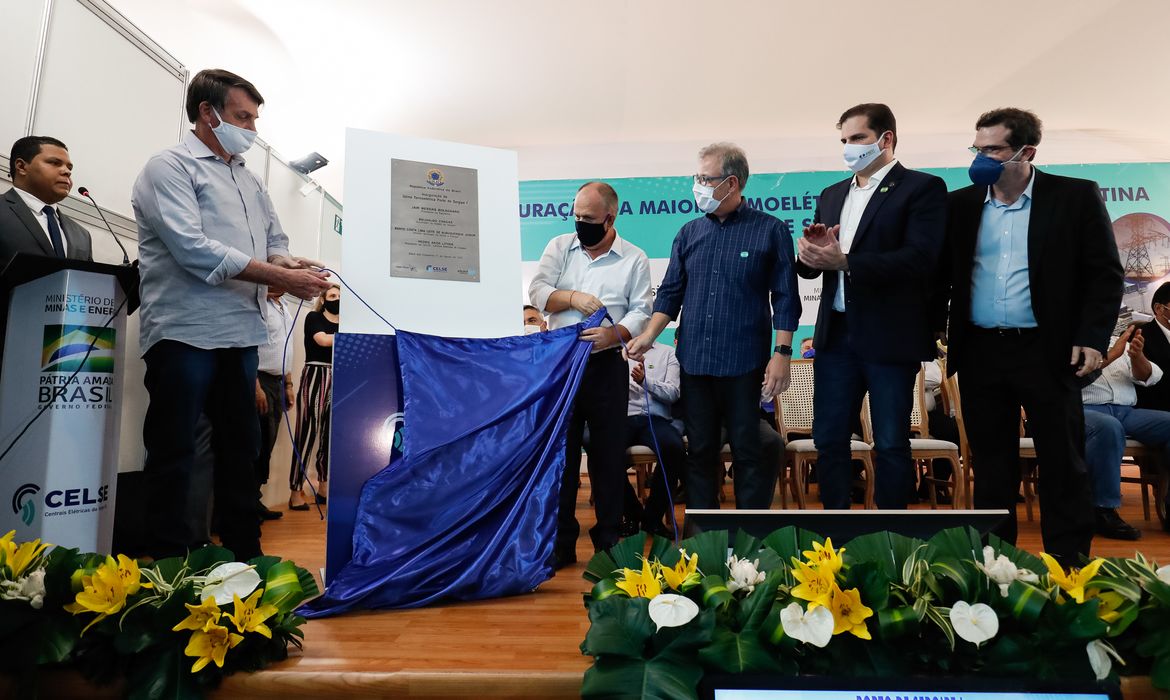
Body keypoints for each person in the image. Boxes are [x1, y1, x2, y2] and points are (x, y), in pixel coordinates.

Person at [132, 68, 331, 561]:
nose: (252, 130)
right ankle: (169, 567)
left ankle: (247, 561)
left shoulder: (249, 178)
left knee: (242, 453)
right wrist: (278, 277)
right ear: (207, 112)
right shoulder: (169, 168)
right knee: (176, 451)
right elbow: (193, 249)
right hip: (184, 333)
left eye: (255, 119)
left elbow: (275, 242)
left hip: (241, 333)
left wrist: (289, 264)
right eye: (243, 117)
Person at [937, 107, 1124, 563]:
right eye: (977, 148)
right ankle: (997, 567)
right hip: (981, 351)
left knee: (1063, 462)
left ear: (1027, 152)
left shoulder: (1074, 196)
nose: (982, 158)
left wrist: (1093, 337)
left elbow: (1104, 274)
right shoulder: (960, 205)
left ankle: (1069, 566)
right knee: (992, 465)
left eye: (994, 149)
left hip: (1048, 351)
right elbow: (938, 275)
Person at [628, 143, 799, 513]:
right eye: (697, 177)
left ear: (731, 183)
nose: (698, 184)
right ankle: (704, 541)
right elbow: (670, 295)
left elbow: (785, 298)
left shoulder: (770, 231)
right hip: (695, 362)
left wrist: (782, 355)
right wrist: (647, 337)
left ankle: (750, 541)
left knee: (748, 449)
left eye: (705, 178)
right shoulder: (689, 233)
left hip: (744, 362)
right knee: (700, 451)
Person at [796, 103, 947, 510]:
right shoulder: (832, 194)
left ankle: (892, 538)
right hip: (837, 337)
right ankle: (833, 537)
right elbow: (817, 267)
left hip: (890, 335)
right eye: (844, 140)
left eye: (858, 138)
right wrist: (812, 254)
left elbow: (921, 258)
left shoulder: (921, 188)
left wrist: (846, 261)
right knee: (828, 439)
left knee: (892, 441)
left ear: (887, 138)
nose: (849, 147)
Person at [529, 181, 652, 568]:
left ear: (610, 218)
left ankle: (610, 542)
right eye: (577, 216)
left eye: (589, 218)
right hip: (561, 364)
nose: (581, 223)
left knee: (608, 458)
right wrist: (572, 298)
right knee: (561, 457)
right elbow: (537, 291)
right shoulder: (560, 247)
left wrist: (614, 334)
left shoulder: (634, 258)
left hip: (605, 365)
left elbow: (641, 310)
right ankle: (561, 544)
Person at [1082, 326, 1170, 540]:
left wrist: (1137, 356)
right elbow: (1069, 377)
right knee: (1108, 427)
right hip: (1083, 410)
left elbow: (1149, 376)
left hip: (1127, 410)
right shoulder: (1071, 341)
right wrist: (1110, 357)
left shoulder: (1118, 340)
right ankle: (1103, 510)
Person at [624, 341, 685, 536]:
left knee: (674, 447)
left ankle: (653, 518)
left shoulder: (668, 353)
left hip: (656, 419)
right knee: (603, 452)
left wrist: (645, 382)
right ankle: (633, 514)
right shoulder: (618, 352)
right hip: (623, 417)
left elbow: (673, 393)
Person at [2, 136, 92, 267]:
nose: (67, 171)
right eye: (55, 163)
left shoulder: (82, 234)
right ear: (21, 166)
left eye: (69, 168)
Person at [289, 284, 339, 510]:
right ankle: (295, 490)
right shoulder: (314, 317)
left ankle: (323, 486)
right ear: (323, 299)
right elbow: (322, 340)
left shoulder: (346, 322)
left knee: (331, 435)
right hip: (316, 375)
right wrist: (349, 334)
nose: (336, 299)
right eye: (332, 295)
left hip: (339, 376)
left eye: (339, 296)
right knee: (307, 433)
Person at [255, 288, 295, 520]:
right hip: (259, 379)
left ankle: (254, 498)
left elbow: (286, 347)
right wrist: (256, 386)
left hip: (278, 381)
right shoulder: (258, 304)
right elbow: (248, 347)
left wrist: (288, 385)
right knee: (255, 442)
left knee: (268, 441)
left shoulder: (284, 307)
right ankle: (243, 505)